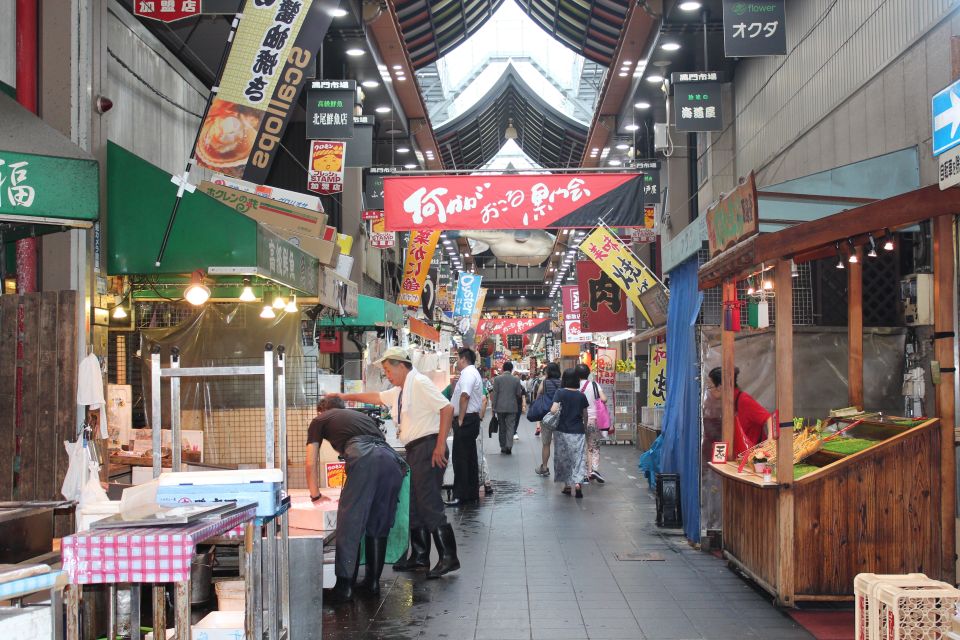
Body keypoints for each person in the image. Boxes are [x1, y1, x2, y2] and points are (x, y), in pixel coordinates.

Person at [331, 347, 460, 579]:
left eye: (388, 370)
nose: (387, 376)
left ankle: (449, 556)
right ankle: (420, 555)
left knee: (429, 503)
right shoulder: (401, 390)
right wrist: (344, 397)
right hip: (416, 450)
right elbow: (376, 397)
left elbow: (447, 408)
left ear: (401, 365)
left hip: (428, 447)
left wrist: (440, 445)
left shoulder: (418, 382)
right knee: (415, 504)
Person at [305, 396, 407, 603]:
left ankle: (344, 588)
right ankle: (372, 583)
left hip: (365, 458)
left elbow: (310, 462)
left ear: (321, 410)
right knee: (378, 523)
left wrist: (315, 494)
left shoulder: (320, 420)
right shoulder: (360, 417)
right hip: (391, 461)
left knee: (350, 523)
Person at [446, 347, 483, 507]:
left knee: (460, 458)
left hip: (466, 420)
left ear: (463, 359)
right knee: (469, 458)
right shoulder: (472, 373)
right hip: (471, 419)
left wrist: (460, 418)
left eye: (457, 359)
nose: (456, 363)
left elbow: (465, 395)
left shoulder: (468, 374)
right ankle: (471, 493)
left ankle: (460, 495)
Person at [707, 366, 772, 457]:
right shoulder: (729, 404)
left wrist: (770, 441)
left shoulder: (743, 400)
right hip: (740, 458)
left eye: (710, 387)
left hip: (755, 458)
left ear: (720, 387)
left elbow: (769, 418)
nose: (709, 391)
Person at [548, 368, 590, 498]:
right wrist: (585, 427)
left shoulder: (560, 393)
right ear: (577, 380)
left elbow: (553, 410)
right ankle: (578, 483)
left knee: (564, 458)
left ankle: (567, 485)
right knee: (578, 458)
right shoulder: (581, 395)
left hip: (562, 430)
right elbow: (585, 415)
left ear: (564, 379)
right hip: (578, 431)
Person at [575, 363, 609, 484]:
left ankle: (584, 473)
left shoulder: (575, 386)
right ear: (588, 373)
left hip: (579, 420)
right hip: (594, 420)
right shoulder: (594, 384)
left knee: (581, 446)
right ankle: (594, 470)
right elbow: (604, 399)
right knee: (594, 446)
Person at [490, 361, 525, 454]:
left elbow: (495, 394)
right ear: (511, 369)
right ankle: (509, 446)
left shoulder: (497, 379)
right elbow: (518, 394)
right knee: (510, 426)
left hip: (500, 407)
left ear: (503, 368)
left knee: (502, 427)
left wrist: (493, 407)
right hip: (512, 407)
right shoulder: (516, 380)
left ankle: (503, 446)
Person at [534, 362, 562, 476]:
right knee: (559, 444)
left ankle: (544, 468)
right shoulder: (562, 383)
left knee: (546, 444)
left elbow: (537, 397)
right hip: (560, 416)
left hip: (546, 417)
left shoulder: (545, 382)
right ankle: (560, 469)